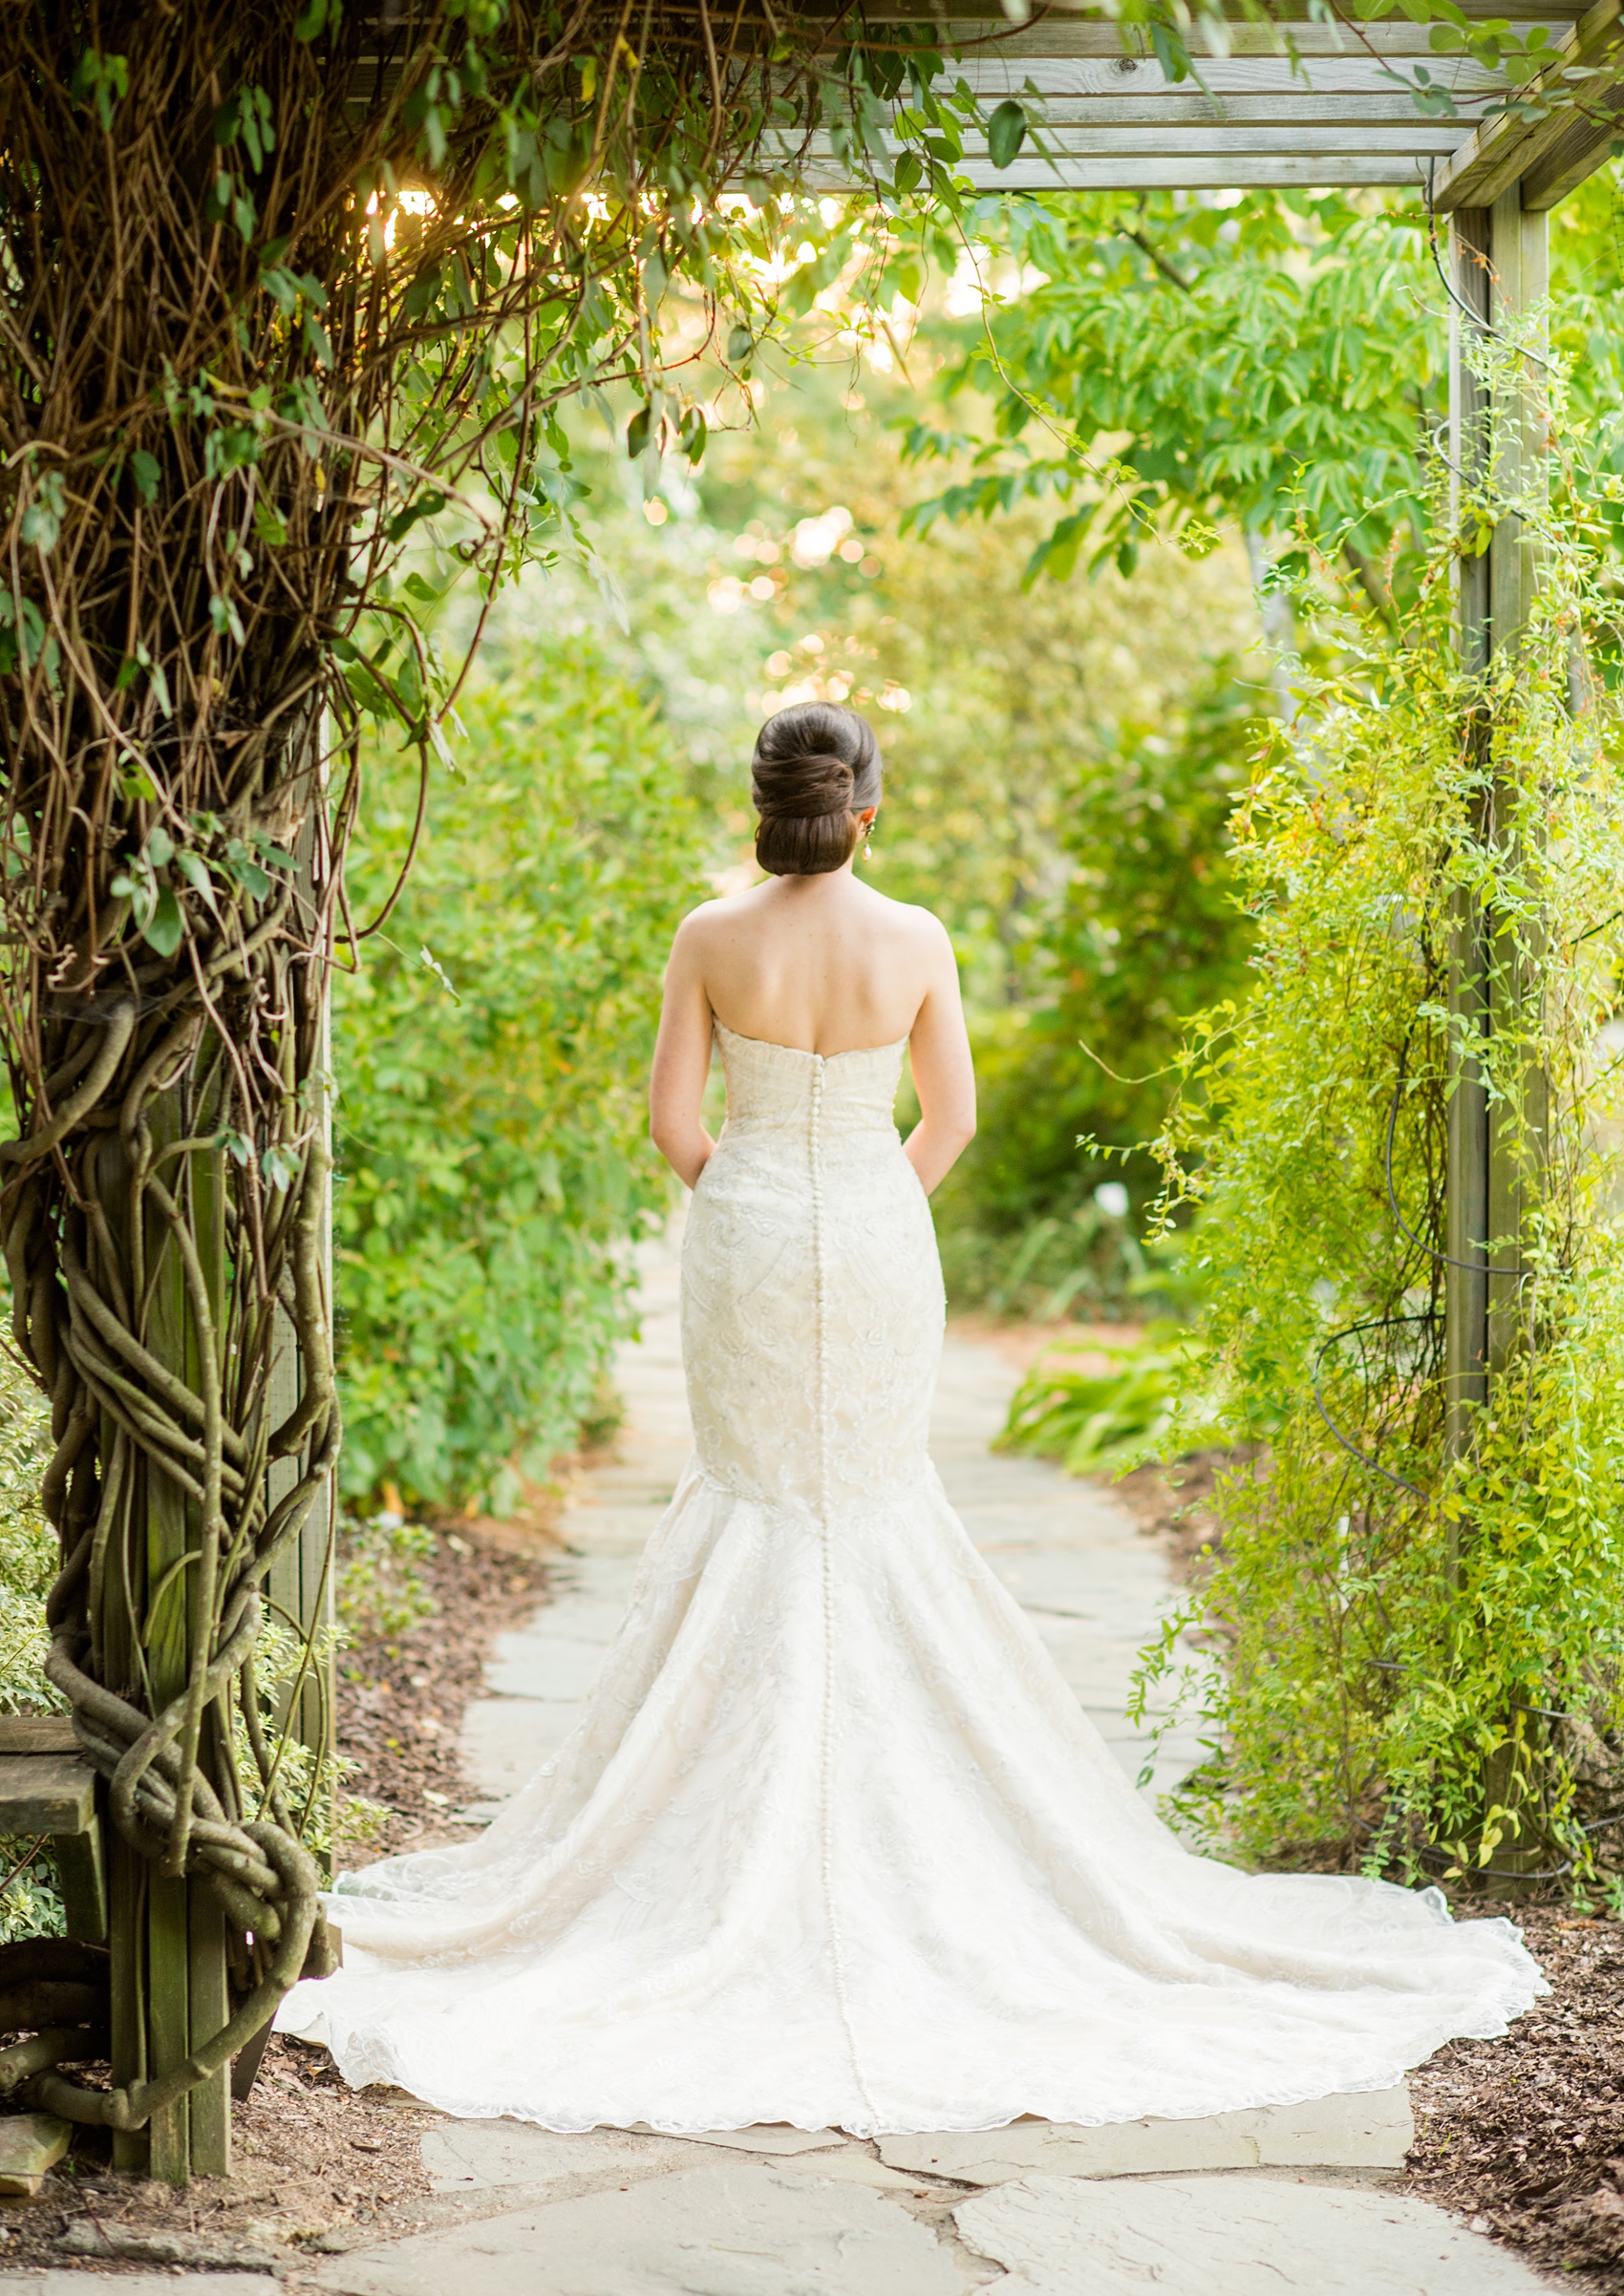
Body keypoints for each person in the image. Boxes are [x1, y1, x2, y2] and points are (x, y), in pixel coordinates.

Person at [281, 701, 1543, 2134]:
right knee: (867, 1501)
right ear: (865, 809)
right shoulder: (920, 938)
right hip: (880, 1242)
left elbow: (674, 1126)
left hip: (745, 1237)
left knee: (760, 1498)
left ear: (762, 806)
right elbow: (949, 1119)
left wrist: (754, 1198)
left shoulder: (711, 935)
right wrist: (870, 1205)